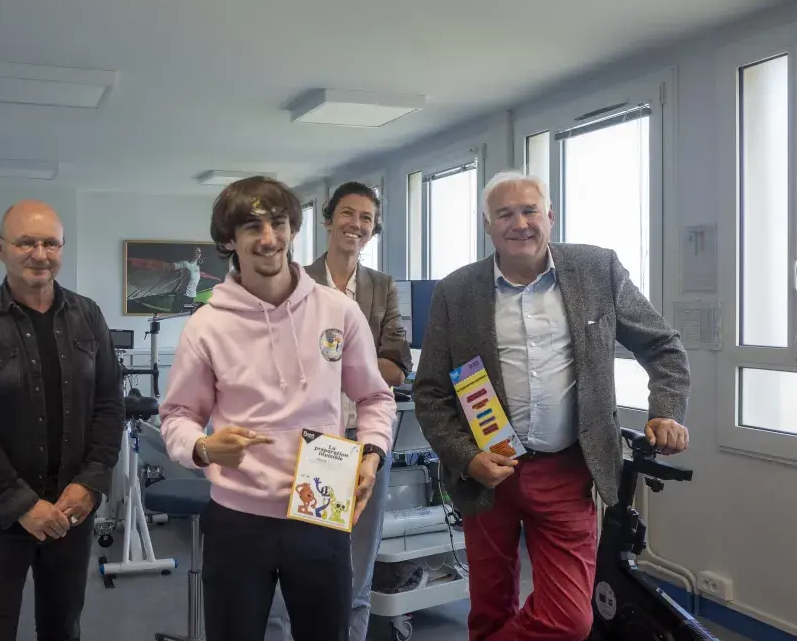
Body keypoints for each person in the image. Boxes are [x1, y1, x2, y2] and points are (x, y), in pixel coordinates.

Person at [413, 170, 691, 641]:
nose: (519, 223)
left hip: (567, 469)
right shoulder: (457, 291)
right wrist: (467, 457)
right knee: (489, 610)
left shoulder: (596, 270)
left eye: (529, 211)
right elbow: (431, 392)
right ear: (488, 226)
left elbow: (663, 345)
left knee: (569, 619)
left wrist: (664, 409)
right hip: (487, 471)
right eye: (505, 214)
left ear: (550, 217)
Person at [159, 176, 398, 641]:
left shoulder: (338, 312)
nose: (269, 239)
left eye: (279, 223)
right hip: (238, 517)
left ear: (293, 229)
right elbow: (177, 417)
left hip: (321, 505)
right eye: (252, 227)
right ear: (229, 240)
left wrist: (372, 452)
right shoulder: (206, 326)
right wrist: (204, 447)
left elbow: (374, 397)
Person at [0, 200, 124, 641]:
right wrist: (23, 505)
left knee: (63, 628)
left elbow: (109, 404)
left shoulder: (89, 317)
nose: (39, 254)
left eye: (50, 243)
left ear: (62, 249)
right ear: (1, 248)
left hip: (70, 511)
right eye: (26, 242)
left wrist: (91, 482)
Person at [265, 181, 412, 641]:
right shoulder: (295, 281)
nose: (357, 225)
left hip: (366, 439)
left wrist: (340, 359)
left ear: (374, 229)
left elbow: (398, 366)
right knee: (304, 563)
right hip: (316, 443)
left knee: (358, 567)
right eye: (348, 214)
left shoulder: (382, 287)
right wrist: (361, 364)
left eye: (366, 218)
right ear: (328, 219)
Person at [169, 245, 203, 312]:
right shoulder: (185, 263)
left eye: (200, 252)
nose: (199, 254)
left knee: (186, 315)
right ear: (192, 253)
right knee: (176, 314)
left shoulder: (197, 265)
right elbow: (172, 266)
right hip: (183, 295)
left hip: (191, 296)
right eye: (197, 252)